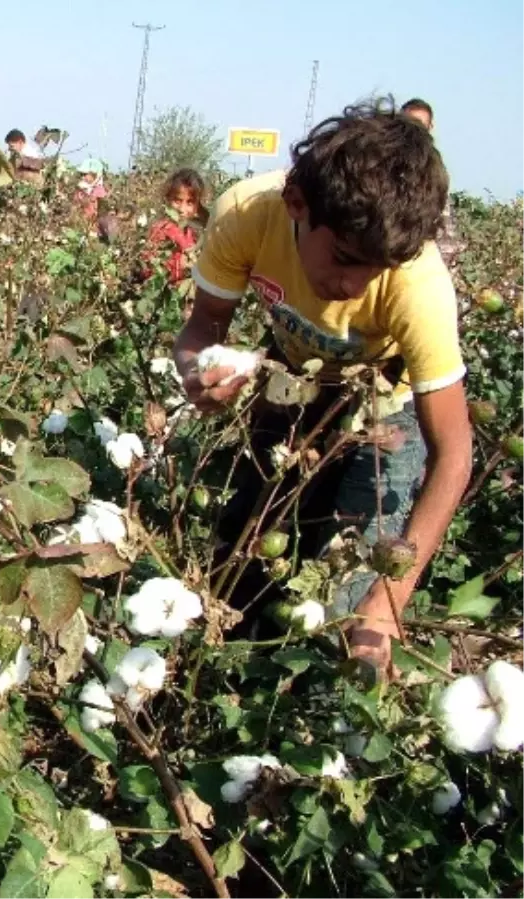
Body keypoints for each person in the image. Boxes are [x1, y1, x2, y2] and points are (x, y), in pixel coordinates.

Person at [173, 100, 472, 675]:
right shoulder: (247, 215)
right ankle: (222, 694)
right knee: (245, 556)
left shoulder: (419, 285)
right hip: (289, 384)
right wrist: (195, 371)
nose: (352, 285)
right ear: (297, 204)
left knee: (348, 601)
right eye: (342, 258)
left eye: (374, 270)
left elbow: (455, 454)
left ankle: (313, 731)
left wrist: (386, 606)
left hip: (387, 410)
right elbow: (204, 325)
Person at [400, 98, 463, 268]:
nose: (414, 131)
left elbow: (444, 222)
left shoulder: (433, 167)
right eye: (409, 124)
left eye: (420, 125)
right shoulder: (387, 163)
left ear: (430, 128)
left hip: (429, 256)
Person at [143, 168, 208, 283]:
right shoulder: (160, 230)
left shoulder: (190, 233)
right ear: (167, 199)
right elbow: (148, 269)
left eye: (190, 202)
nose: (182, 209)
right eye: (177, 201)